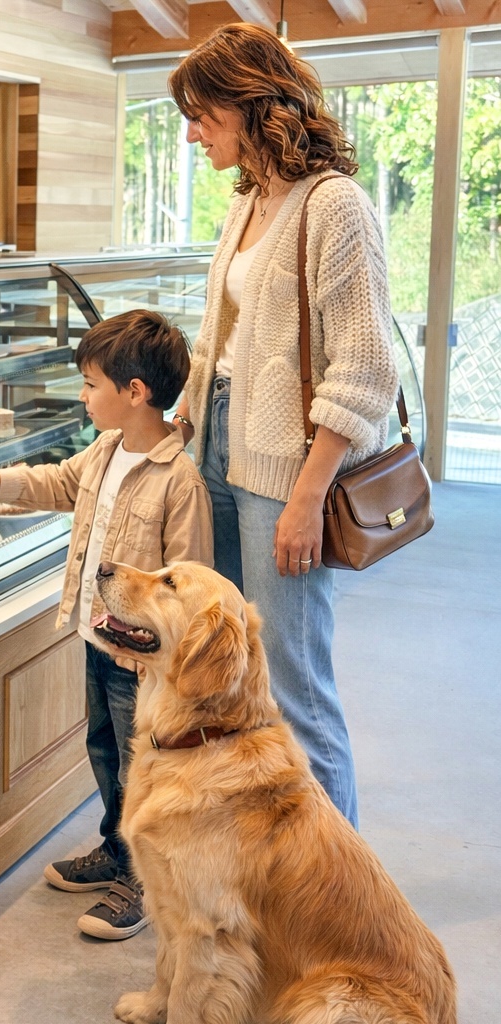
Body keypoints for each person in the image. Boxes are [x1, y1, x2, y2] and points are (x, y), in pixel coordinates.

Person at [167, 23, 399, 828]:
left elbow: (364, 367)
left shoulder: (334, 204)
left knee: (294, 685)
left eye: (201, 116)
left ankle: (337, 881)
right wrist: (187, 410)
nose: (192, 135)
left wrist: (306, 496)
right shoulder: (249, 199)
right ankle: (260, 860)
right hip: (219, 443)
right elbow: (222, 332)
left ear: (249, 104)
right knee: (230, 673)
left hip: (285, 465)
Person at [0, 309, 213, 940]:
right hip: (97, 638)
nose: (83, 395)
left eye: (92, 384)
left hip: (139, 660)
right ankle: (118, 850)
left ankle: (147, 880)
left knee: (140, 768)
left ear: (135, 392)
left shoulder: (180, 481)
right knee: (103, 750)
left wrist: (159, 658)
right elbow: (59, 482)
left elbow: (188, 583)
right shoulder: (105, 450)